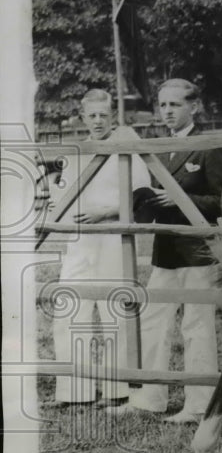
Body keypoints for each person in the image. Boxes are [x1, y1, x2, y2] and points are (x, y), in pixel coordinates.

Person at [109, 79, 222, 424]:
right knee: (153, 320)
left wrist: (181, 199)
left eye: (174, 105)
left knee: (196, 325)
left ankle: (198, 404)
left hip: (198, 250)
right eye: (162, 106)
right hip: (166, 248)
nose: (167, 112)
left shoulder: (210, 147)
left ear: (195, 107)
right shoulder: (159, 147)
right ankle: (151, 397)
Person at [50, 89, 151, 406]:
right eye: (91, 115)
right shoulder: (76, 152)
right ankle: (73, 392)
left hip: (112, 238)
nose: (97, 121)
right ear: (83, 117)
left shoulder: (127, 148)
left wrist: (105, 213)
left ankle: (115, 390)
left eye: (103, 115)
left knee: (112, 313)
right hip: (80, 241)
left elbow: (141, 194)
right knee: (68, 311)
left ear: (112, 116)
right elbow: (61, 196)